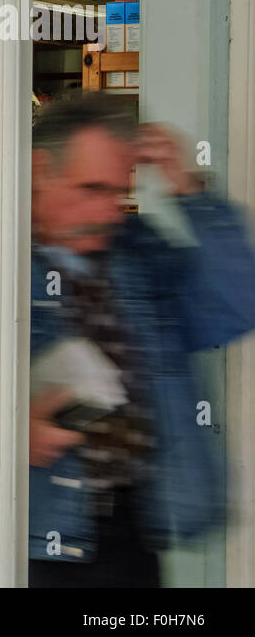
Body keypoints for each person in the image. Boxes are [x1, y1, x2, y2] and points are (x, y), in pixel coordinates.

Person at [28, 93, 255, 587]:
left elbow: (236, 307)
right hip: (30, 535)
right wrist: (4, 433)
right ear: (39, 170)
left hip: (130, 528)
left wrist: (188, 187)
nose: (110, 212)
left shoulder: (134, 249)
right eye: (92, 189)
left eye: (118, 192)